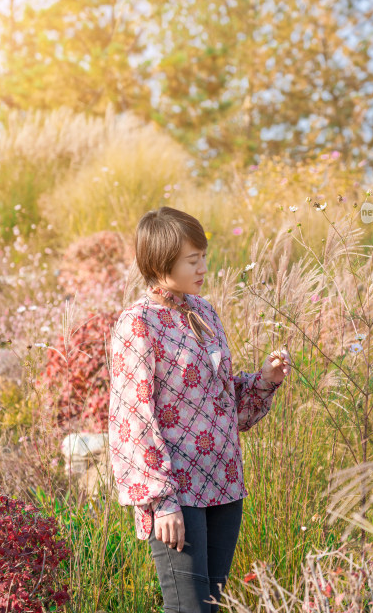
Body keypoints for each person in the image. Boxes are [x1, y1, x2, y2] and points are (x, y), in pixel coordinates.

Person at [108, 206, 291, 613]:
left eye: (203, 256)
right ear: (161, 261)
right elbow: (132, 418)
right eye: (193, 259)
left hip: (225, 484)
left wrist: (264, 380)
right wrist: (162, 501)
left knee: (210, 607)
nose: (204, 266)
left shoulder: (205, 313)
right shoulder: (137, 324)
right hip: (179, 493)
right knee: (188, 609)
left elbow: (226, 407)